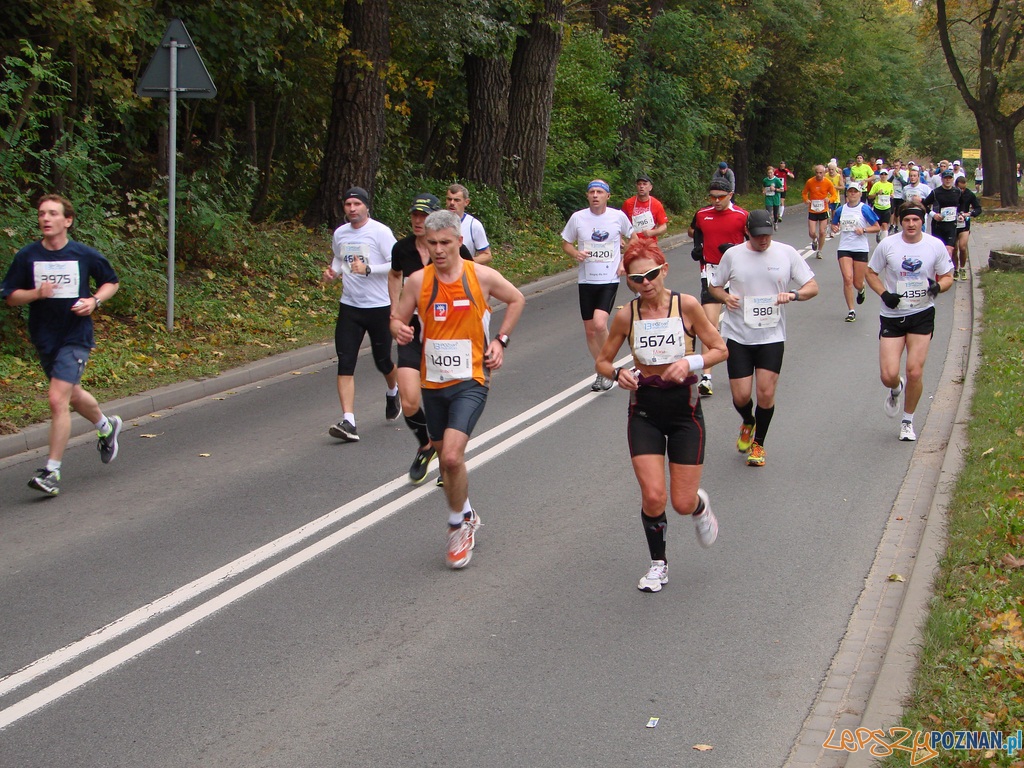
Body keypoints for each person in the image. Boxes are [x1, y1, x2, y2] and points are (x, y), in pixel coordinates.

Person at [390, 210, 525, 569]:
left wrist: (501, 340)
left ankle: (456, 528)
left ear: (459, 242)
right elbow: (397, 318)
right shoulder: (418, 281)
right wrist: (398, 330)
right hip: (433, 381)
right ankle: (466, 512)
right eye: (432, 243)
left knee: (450, 457)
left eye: (445, 243)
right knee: (442, 453)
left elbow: (516, 299)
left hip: (472, 379)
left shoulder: (479, 276)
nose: (438, 249)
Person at [594, 239, 726, 593]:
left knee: (682, 502)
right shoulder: (627, 315)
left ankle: (700, 507)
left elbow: (720, 349)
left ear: (664, 269)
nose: (645, 283)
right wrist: (616, 374)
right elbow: (603, 361)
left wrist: (688, 362)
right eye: (636, 279)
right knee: (653, 496)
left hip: (685, 412)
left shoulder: (688, 306)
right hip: (645, 411)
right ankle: (658, 564)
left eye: (651, 274)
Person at [1, 194, 122, 496]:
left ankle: (51, 472)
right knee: (71, 394)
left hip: (76, 335)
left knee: (57, 399)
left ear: (67, 221)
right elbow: (11, 296)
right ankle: (106, 426)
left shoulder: (83, 254)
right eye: (42, 213)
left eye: (52, 213)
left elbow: (111, 282)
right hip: (45, 337)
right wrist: (36, 293)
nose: (45, 218)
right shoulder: (27, 256)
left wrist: (94, 301)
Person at [708, 210, 819, 467]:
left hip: (771, 335)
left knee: (766, 394)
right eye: (758, 236)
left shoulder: (786, 253)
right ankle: (748, 420)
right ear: (747, 232)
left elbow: (812, 287)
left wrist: (793, 295)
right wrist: (725, 297)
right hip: (738, 335)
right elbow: (714, 286)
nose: (763, 240)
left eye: (767, 235)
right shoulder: (733, 255)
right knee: (741, 396)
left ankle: (758, 444)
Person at [389, 193, 476, 483]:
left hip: (446, 336)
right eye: (414, 216)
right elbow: (394, 275)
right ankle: (427, 446)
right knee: (410, 401)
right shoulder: (401, 248)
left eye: (423, 217)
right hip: (413, 334)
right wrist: (395, 313)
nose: (417, 221)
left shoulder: (455, 251)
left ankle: (447, 460)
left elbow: (473, 284)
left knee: (448, 399)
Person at [866, 204, 954, 442]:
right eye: (907, 220)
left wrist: (938, 287)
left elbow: (947, 276)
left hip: (921, 313)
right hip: (893, 316)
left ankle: (908, 421)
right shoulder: (888, 245)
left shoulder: (934, 245)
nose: (912, 224)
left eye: (916, 219)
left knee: (914, 370)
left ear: (922, 221)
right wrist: (885, 294)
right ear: (901, 221)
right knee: (888, 375)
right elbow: (870, 273)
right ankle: (896, 388)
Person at [322, 187, 401, 442]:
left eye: (357, 204)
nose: (352, 209)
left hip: (378, 307)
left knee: (383, 361)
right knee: (345, 362)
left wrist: (369, 269)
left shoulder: (380, 232)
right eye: (348, 204)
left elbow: (396, 263)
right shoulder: (340, 233)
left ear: (367, 206)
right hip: (350, 307)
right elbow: (338, 258)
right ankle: (349, 421)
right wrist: (333, 272)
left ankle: (393, 390)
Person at [561, 179, 636, 392]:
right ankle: (603, 371)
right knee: (590, 331)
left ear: (607, 196)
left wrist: (624, 261)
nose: (595, 195)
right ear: (587, 196)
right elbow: (566, 243)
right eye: (592, 192)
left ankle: (608, 366)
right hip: (586, 280)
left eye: (599, 192)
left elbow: (634, 238)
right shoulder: (578, 218)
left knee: (600, 324)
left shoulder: (617, 217)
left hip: (609, 278)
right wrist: (575, 253)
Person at [688, 179, 748, 397]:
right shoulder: (703, 214)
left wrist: (737, 250)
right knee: (709, 325)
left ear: (730, 194)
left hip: (737, 272)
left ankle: (747, 367)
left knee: (743, 322)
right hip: (711, 274)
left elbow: (756, 240)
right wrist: (698, 247)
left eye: (720, 197)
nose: (716, 201)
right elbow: (694, 230)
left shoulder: (742, 215)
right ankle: (707, 377)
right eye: (712, 196)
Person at [830, 184, 881, 322]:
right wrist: (834, 228)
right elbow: (834, 224)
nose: (852, 194)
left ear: (860, 194)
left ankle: (861, 288)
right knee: (847, 279)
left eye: (855, 192)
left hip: (860, 249)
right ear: (847, 194)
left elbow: (877, 227)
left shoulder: (864, 209)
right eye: (850, 191)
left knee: (857, 283)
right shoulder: (841, 209)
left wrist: (864, 230)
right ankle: (851, 310)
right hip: (845, 248)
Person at [446, 183, 492, 264]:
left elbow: (487, 255)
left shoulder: (473, 225)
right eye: (449, 199)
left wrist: (465, 262)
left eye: (457, 200)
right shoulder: (437, 222)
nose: (452, 203)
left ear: (466, 202)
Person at [621, 174, 669, 243]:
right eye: (639, 184)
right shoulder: (628, 203)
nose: (641, 186)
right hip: (633, 244)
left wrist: (653, 232)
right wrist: (620, 238)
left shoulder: (656, 204)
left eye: (644, 184)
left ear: (650, 187)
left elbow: (663, 227)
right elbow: (621, 223)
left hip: (650, 244)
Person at [923, 170, 961, 255]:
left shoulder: (957, 192)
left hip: (952, 224)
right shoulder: (936, 192)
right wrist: (933, 215)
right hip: (938, 225)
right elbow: (923, 205)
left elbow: (961, 205)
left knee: (949, 249)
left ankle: (948, 268)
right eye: (945, 178)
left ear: (953, 179)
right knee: (938, 250)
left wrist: (961, 214)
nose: (948, 180)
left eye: (950, 178)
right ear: (942, 179)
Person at [802, 164, 836, 259]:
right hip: (813, 210)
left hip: (823, 210)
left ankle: (820, 251)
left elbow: (834, 195)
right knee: (812, 232)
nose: (819, 175)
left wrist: (829, 200)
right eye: (817, 173)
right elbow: (804, 193)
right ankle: (814, 239)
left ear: (824, 173)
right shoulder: (810, 182)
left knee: (822, 231)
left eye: (821, 173)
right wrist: (806, 200)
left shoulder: (828, 182)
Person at [952, 175, 982, 281]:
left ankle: (963, 268)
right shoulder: (951, 193)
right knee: (954, 249)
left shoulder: (969, 194)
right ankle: (956, 269)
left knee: (963, 247)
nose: (962, 190)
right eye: (960, 188)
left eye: (964, 188)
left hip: (964, 224)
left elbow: (978, 208)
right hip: (952, 223)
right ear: (956, 186)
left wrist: (969, 214)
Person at [867, 168, 894, 243]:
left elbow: (892, 193)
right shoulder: (876, 185)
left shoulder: (890, 185)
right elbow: (869, 196)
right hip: (878, 207)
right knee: (878, 226)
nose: (883, 175)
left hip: (887, 207)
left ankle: (884, 242)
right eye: (882, 174)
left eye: (885, 174)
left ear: (887, 175)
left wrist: (892, 195)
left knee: (885, 225)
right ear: (880, 176)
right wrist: (877, 194)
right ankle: (878, 234)